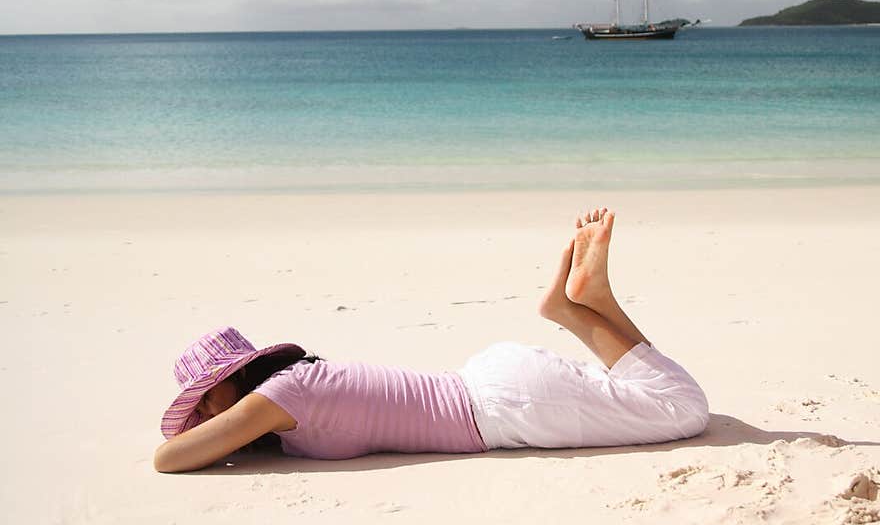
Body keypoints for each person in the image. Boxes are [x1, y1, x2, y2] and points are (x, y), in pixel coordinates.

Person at [154, 208, 709, 473]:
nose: (201, 409)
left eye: (204, 396)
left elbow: (168, 460)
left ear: (234, 380)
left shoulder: (278, 398)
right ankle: (591, 303)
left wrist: (208, 431)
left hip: (504, 410)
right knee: (642, 389)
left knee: (681, 409)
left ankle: (582, 308)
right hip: (493, 388)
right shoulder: (294, 388)